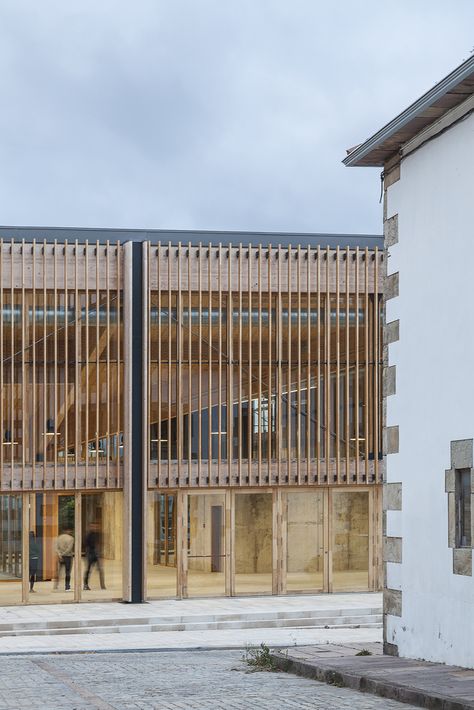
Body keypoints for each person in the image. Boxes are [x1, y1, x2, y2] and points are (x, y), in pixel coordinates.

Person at [83, 522, 106, 590]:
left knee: (101, 570)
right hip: (90, 555)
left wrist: (101, 555)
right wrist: (86, 556)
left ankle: (102, 585)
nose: (94, 528)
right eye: (93, 526)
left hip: (97, 555)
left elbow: (100, 545)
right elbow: (85, 546)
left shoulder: (99, 535)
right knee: (88, 570)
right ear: (90, 527)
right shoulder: (88, 535)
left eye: (96, 526)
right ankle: (85, 585)